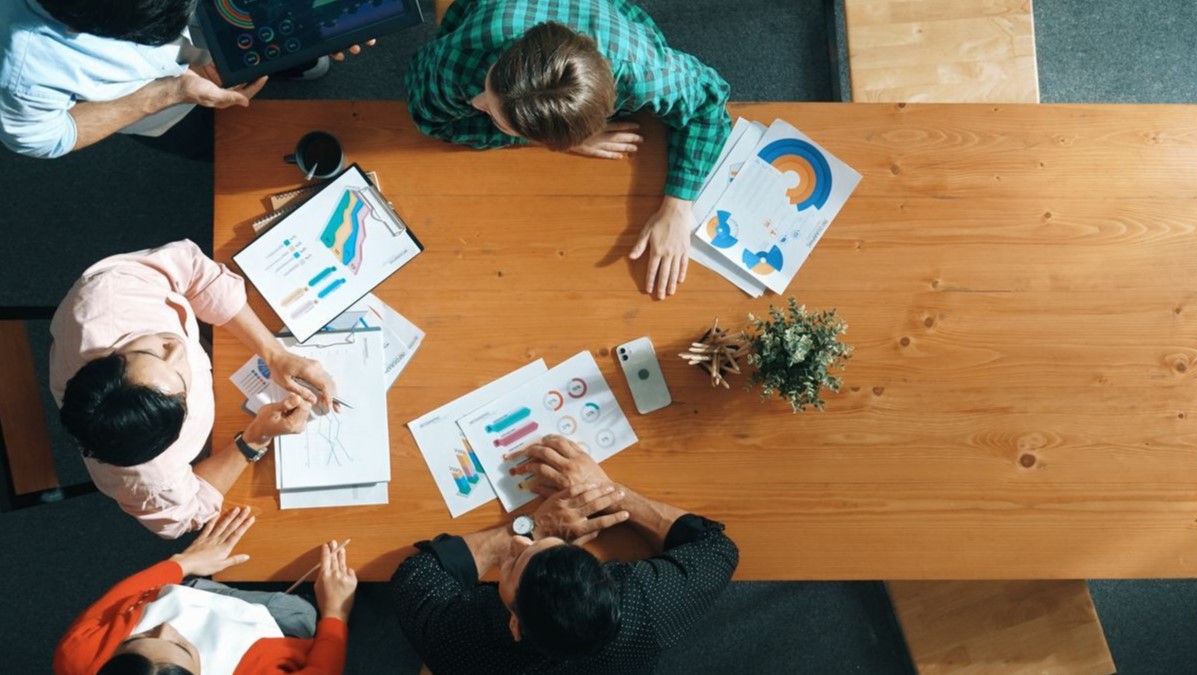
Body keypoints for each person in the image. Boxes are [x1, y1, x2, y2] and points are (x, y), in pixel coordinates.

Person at [406, 0, 731, 300]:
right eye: (489, 92)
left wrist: (678, 206)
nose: (476, 103)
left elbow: (709, 100)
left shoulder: (641, 68)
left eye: (493, 116)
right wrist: (555, 139)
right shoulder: (473, 50)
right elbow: (428, 114)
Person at [50, 240, 337, 538]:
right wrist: (255, 438)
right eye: (181, 381)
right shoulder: (147, 477)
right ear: (179, 423)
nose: (177, 348)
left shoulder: (109, 295)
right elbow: (188, 515)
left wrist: (274, 353)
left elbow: (195, 270)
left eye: (148, 353)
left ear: (106, 361)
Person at [390, 434, 739, 674]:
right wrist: (607, 494)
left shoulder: (459, 643)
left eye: (512, 564)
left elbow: (416, 576)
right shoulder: (646, 608)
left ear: (514, 625)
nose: (518, 544)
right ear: (608, 575)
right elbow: (717, 548)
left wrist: (534, 526)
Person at [0, 0, 372, 159]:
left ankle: (289, 62)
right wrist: (168, 92)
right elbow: (48, 137)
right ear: (74, 26)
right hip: (162, 110)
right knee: (231, 148)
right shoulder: (22, 67)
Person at [54, 507, 358, 675]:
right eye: (182, 648)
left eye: (135, 639)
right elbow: (322, 669)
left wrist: (182, 563)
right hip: (267, 629)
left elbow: (116, 602)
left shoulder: (76, 658)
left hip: (181, 592)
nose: (165, 627)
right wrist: (335, 613)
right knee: (301, 613)